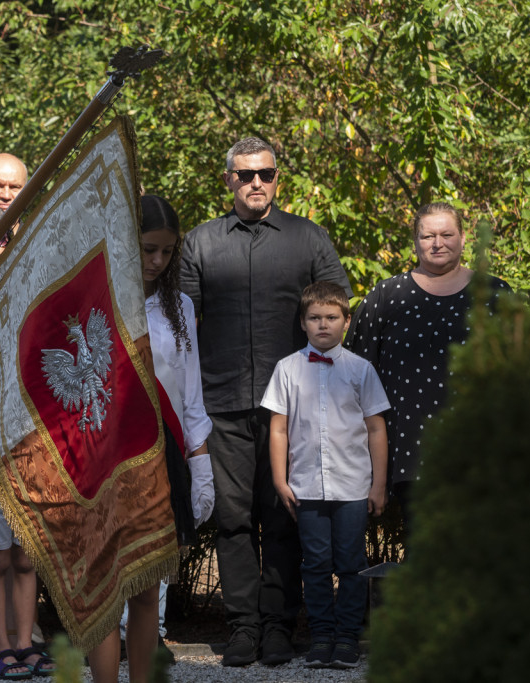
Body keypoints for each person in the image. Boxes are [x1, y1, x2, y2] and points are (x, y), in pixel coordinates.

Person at [180, 136, 352, 666]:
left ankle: (279, 625)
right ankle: (243, 628)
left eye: (267, 173)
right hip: (224, 403)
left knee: (282, 516)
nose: (258, 182)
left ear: (279, 178)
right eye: (246, 174)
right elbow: (181, 326)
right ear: (228, 179)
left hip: (292, 408)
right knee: (232, 519)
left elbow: (335, 313)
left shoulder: (308, 238)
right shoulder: (200, 243)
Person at [90, 195, 217, 683]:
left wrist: (200, 464)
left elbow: (190, 394)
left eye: (166, 252)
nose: (157, 261)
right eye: (147, 249)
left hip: (160, 457)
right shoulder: (94, 298)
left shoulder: (179, 305)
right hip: (102, 457)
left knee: (145, 587)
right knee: (105, 590)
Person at [344, 202, 511, 530]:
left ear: (463, 239)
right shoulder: (386, 296)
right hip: (409, 456)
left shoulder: (495, 294)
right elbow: (353, 378)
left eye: (447, 234)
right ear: (415, 242)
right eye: (428, 236)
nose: (437, 243)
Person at [262, 281, 390, 669]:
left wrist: (379, 484)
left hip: (352, 486)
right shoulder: (287, 369)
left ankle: (348, 637)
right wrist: (280, 480)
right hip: (306, 487)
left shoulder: (360, 369)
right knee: (315, 564)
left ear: (346, 321)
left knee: (351, 562)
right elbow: (279, 429)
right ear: (302, 322)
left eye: (331, 317)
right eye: (315, 318)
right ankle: (321, 636)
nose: (323, 325)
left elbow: (376, 429)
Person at [0, 205, 53, 679]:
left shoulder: (32, 292)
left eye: (2, 237)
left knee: (27, 554)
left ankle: (25, 643)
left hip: (28, 439)